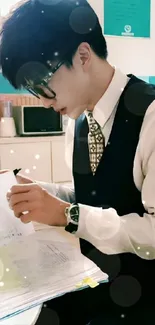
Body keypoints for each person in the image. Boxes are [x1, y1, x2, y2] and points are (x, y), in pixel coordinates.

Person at [0, 0, 155, 324]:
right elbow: (95, 195)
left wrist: (67, 214)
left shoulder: (150, 116)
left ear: (83, 56)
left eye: (43, 84)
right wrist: (43, 193)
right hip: (92, 277)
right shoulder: (79, 119)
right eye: (32, 90)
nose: (43, 102)